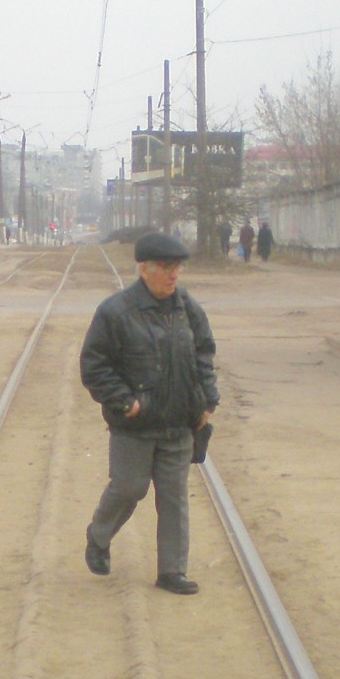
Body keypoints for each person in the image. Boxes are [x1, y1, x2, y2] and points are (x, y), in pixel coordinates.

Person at [80, 231, 218, 596]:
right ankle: (99, 535)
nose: (174, 275)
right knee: (129, 487)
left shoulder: (187, 308)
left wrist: (207, 401)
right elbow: (95, 367)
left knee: (174, 498)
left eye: (177, 268)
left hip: (178, 422)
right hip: (134, 425)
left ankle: (172, 571)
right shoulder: (115, 312)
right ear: (144, 269)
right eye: (166, 267)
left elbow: (204, 353)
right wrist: (127, 402)